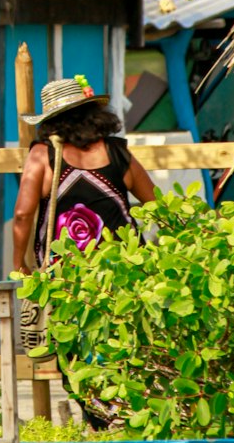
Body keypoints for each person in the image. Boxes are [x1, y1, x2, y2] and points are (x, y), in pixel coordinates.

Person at [11, 76, 156, 355]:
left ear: (49, 120)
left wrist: (20, 262)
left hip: (66, 273)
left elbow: (22, 214)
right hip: (124, 269)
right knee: (124, 348)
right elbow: (157, 204)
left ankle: (92, 398)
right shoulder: (117, 152)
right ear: (93, 114)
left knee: (75, 349)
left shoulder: (43, 155)